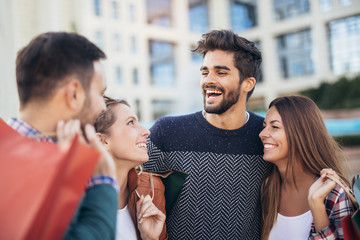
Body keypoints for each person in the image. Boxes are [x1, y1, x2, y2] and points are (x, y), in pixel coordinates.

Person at [142, 29, 271, 239]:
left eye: (221, 72)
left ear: (248, 83)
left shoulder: (267, 137)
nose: (208, 81)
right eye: (205, 72)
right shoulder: (167, 132)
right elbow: (130, 194)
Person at [9, 32, 118, 239]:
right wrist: (104, 180)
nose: (103, 106)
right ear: (73, 94)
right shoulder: (34, 170)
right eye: (99, 93)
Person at [259, 95, 354, 240]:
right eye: (264, 126)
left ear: (301, 133)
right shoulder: (266, 189)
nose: (262, 134)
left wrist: (316, 205)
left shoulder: (334, 194)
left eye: (275, 127)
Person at [94, 97, 167, 240]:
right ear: (102, 141)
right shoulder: (72, 200)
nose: (146, 132)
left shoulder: (151, 189)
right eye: (130, 123)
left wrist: (150, 238)